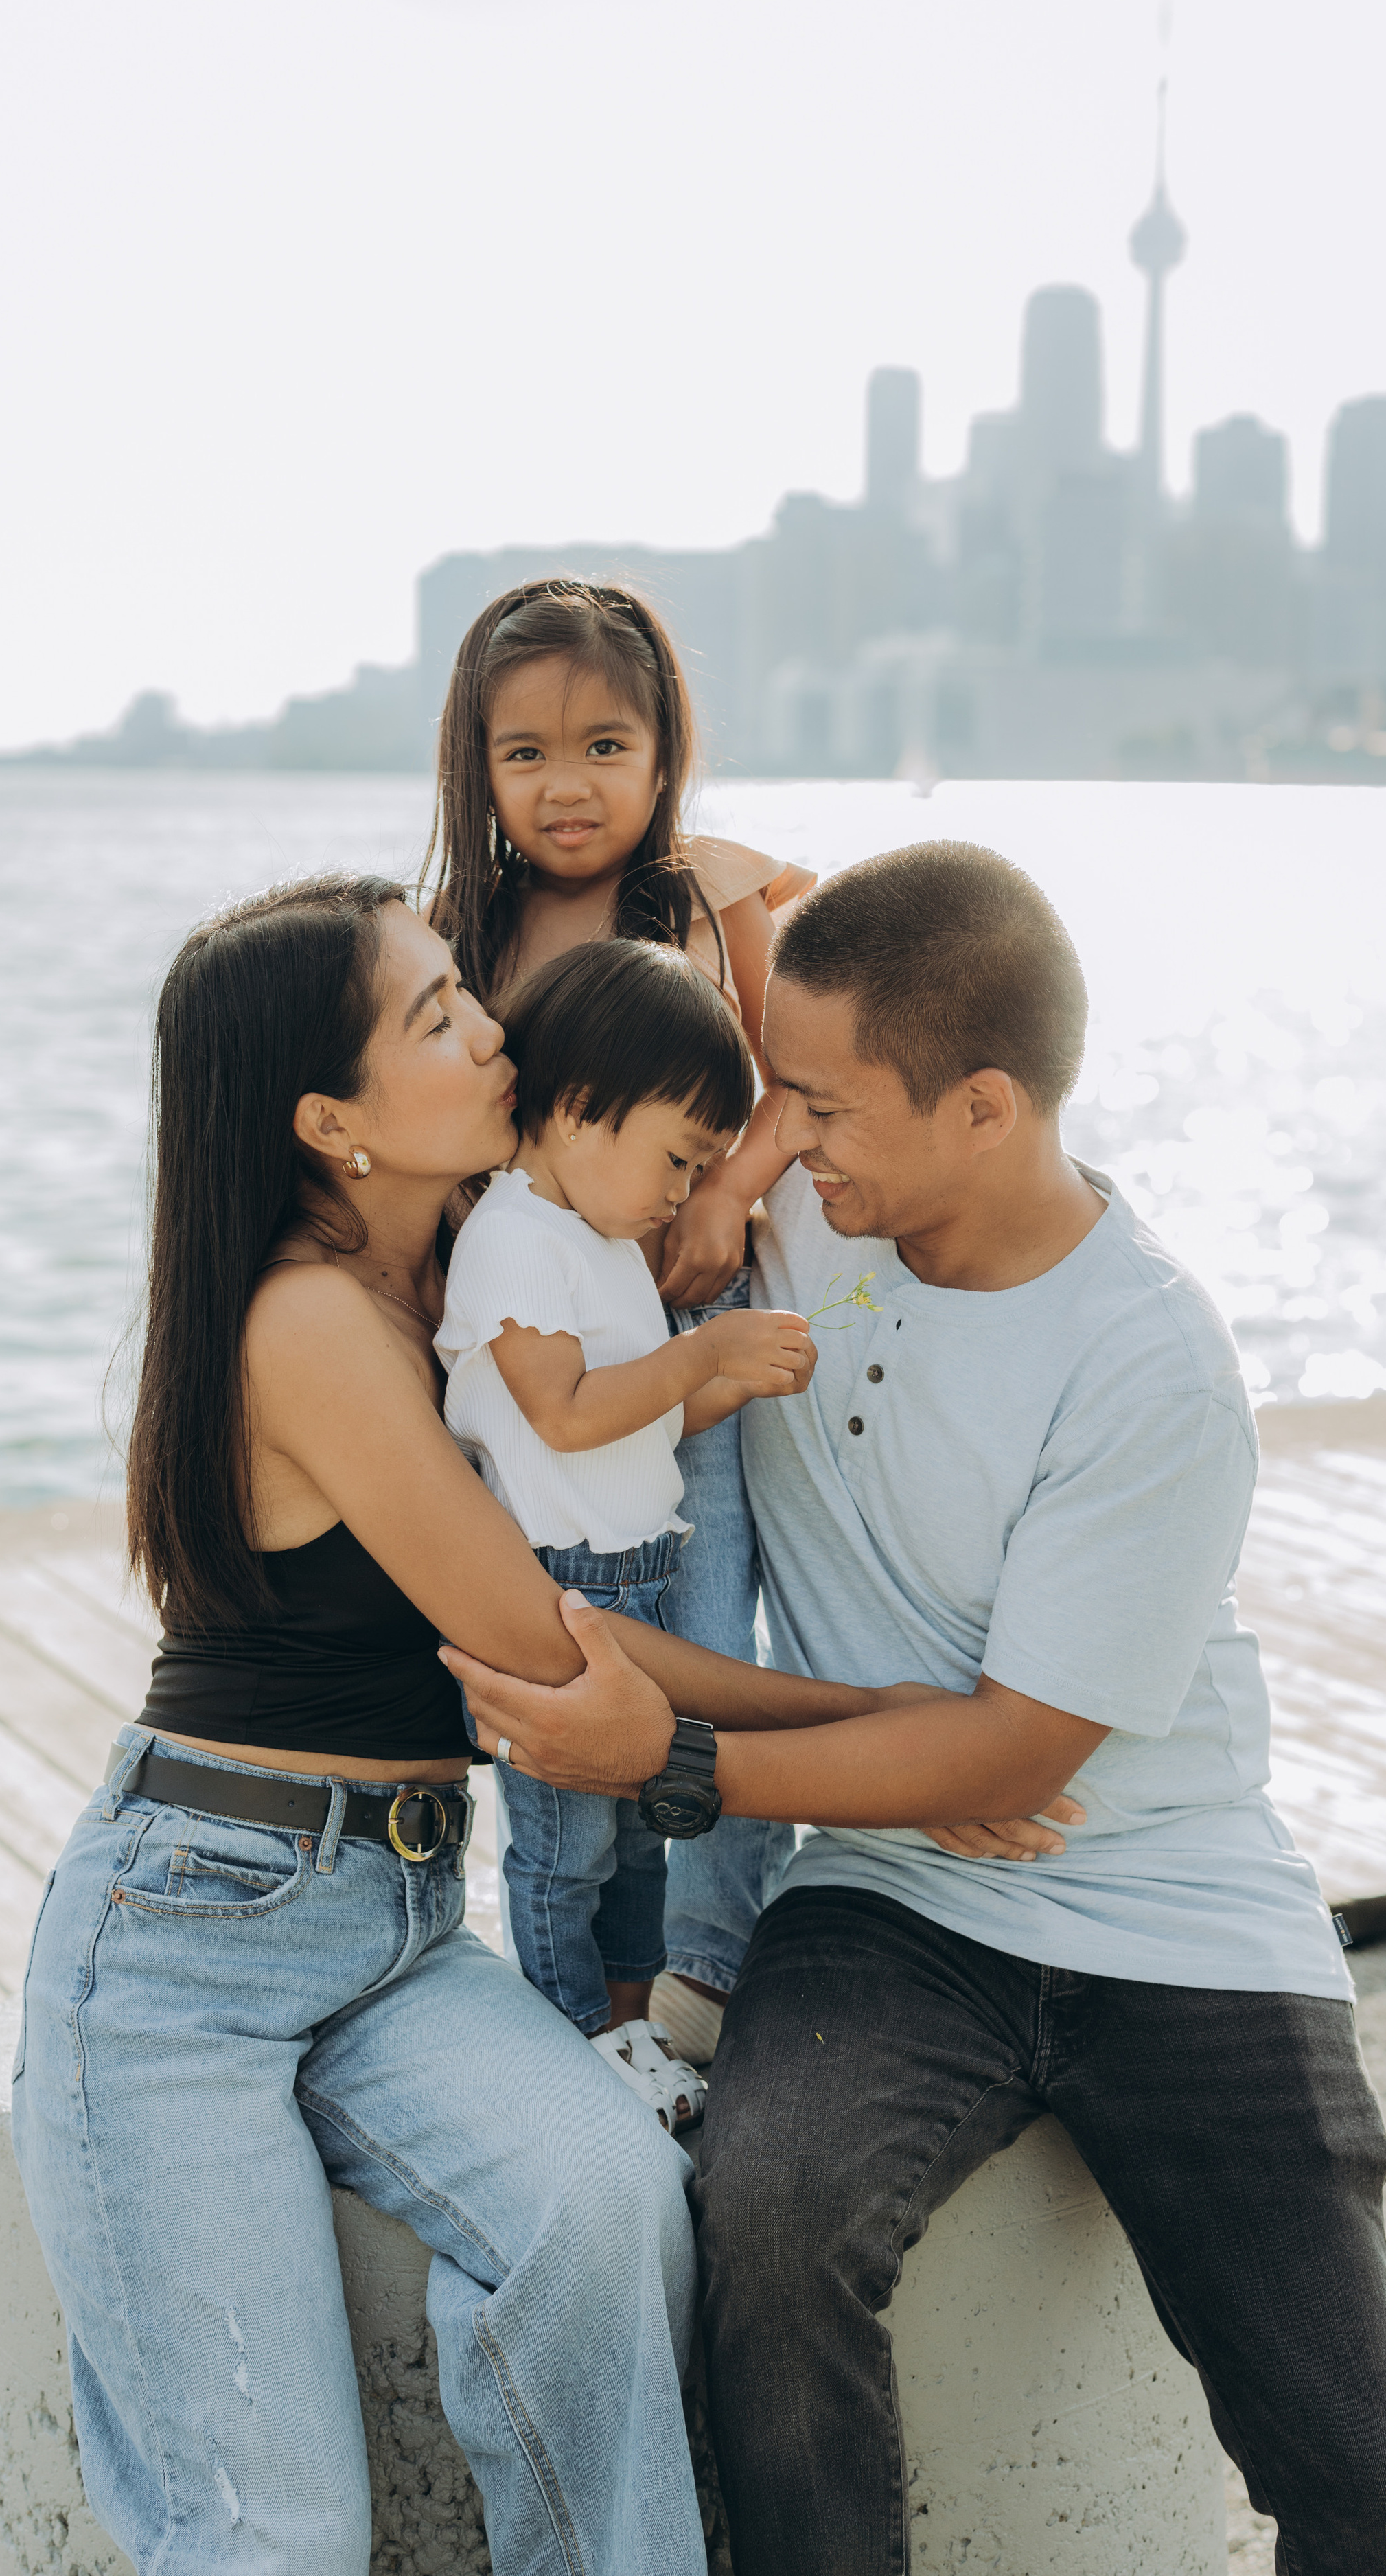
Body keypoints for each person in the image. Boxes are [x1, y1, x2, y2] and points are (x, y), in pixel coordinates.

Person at [10, 868, 1060, 2576]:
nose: (492, 1024)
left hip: (399, 1929)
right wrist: (911, 1726)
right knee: (277, 2534)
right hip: (187, 1945)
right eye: (437, 1015)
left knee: (608, 2213)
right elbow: (559, 1642)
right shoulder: (305, 1324)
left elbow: (710, 1153)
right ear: (329, 1121)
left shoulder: (461, 1297)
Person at [446, 841, 1386, 2576]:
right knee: (763, 2236)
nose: (786, 1138)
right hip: (890, 1902)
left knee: (1357, 2465)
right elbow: (605, 1147)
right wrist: (747, 1115)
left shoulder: (1146, 1358)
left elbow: (1013, 1751)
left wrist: (672, 1762)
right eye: (775, 1105)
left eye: (823, 1107)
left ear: (981, 1108)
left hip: (1171, 1902)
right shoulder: (794, 1216)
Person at [425, 576, 817, 2062]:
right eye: (522, 754)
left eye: (603, 745)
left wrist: (724, 1197)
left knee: (707, 1648)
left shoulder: (703, 899)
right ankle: (586, 1994)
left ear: (662, 752)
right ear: (478, 769)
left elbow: (787, 1084)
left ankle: (711, 1976)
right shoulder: (459, 931)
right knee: (571, 1676)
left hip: (690, 1362)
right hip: (547, 1383)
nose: (565, 784)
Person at [436, 939, 813, 2126]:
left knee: (644, 1827)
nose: (678, 1191)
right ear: (585, 1108)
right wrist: (701, 1353)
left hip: (634, 1570)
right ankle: (569, 2038)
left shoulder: (601, 1242)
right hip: (558, 1596)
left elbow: (630, 1430)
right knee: (563, 1848)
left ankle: (631, 2025)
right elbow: (564, 1410)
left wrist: (725, 1385)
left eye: (702, 1165)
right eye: (676, 1156)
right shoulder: (513, 1241)